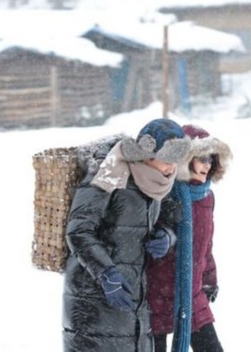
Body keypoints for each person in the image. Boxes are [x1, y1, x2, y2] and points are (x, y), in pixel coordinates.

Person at [62, 118, 191, 352]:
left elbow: (169, 222)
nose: (171, 168)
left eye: (176, 162)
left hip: (133, 303)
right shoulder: (108, 172)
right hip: (92, 302)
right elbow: (78, 230)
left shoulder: (159, 184)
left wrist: (166, 236)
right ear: (147, 152)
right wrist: (106, 273)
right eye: (167, 160)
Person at [146, 124, 232, 352]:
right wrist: (165, 237)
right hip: (158, 291)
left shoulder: (206, 196)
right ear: (186, 159)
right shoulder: (164, 192)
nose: (207, 165)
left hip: (191, 293)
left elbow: (206, 245)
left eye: (211, 159)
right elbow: (145, 237)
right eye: (201, 158)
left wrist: (209, 278)